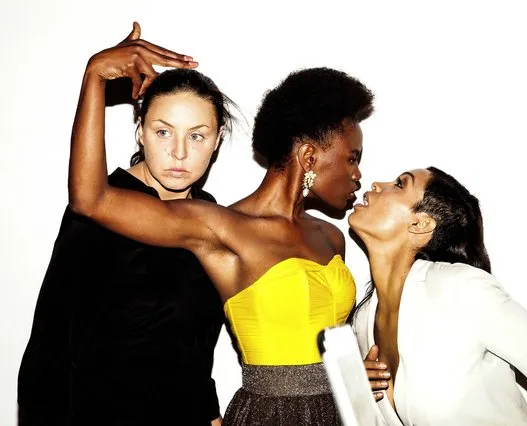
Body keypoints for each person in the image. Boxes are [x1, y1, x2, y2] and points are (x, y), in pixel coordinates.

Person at [66, 23, 374, 425]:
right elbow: (91, 200)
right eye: (352, 157)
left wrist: (355, 371)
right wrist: (95, 78)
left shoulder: (332, 236)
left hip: (339, 411)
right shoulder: (220, 226)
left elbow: (325, 341)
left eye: (197, 135)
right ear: (311, 158)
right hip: (270, 414)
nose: (358, 174)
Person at [18, 25, 236, 426]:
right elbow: (50, 348)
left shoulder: (213, 217)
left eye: (198, 135)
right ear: (140, 130)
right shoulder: (101, 210)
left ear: (218, 140)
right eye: (163, 131)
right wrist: (95, 75)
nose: (179, 152)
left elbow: (195, 346)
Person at [349, 167, 527, 426]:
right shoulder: (362, 321)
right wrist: (356, 393)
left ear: (420, 224)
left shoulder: (459, 289)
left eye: (400, 184)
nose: (377, 184)